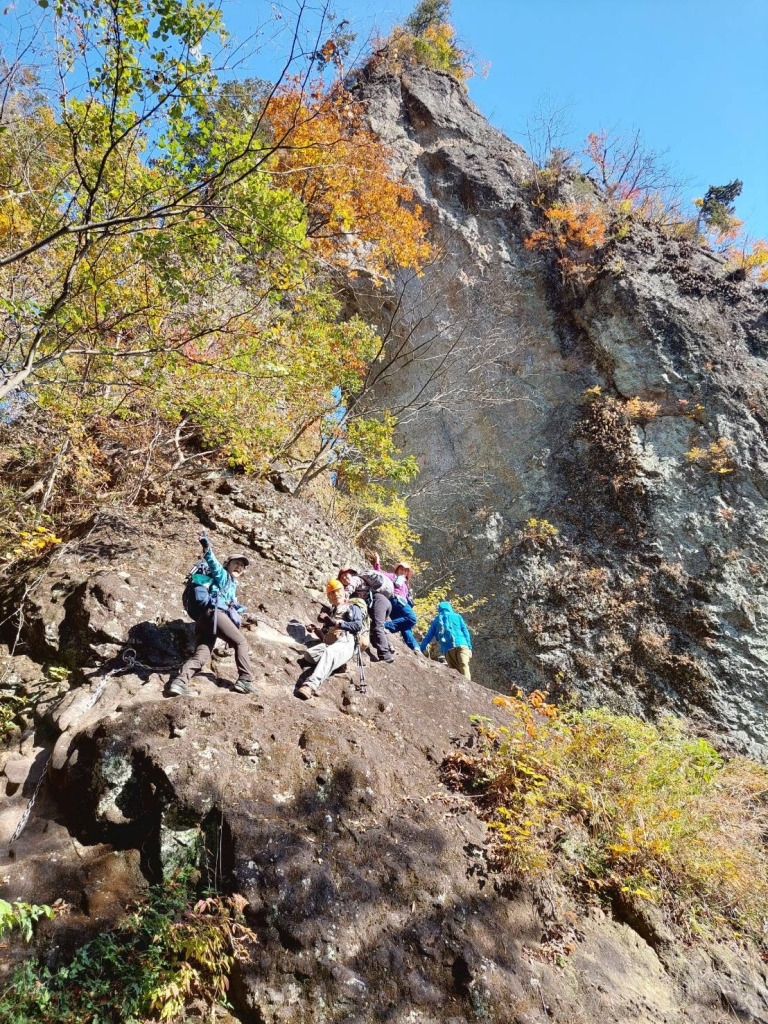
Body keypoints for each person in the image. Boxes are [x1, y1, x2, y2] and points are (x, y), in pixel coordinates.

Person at [168, 533, 256, 697]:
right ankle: (245, 679)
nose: (239, 567)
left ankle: (179, 682)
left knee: (201, 656)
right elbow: (213, 564)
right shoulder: (223, 576)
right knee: (241, 642)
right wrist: (206, 546)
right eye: (236, 563)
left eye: (242, 566)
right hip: (215, 614)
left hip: (205, 620)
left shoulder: (231, 586)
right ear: (227, 564)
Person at [297, 579, 363, 699]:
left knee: (329, 653)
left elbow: (358, 625)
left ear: (343, 592)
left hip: (347, 640)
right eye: (332, 593)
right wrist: (315, 629)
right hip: (330, 642)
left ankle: (310, 685)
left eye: (337, 591)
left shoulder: (353, 607)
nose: (335, 595)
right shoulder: (331, 612)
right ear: (328, 597)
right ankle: (337, 664)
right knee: (309, 655)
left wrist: (337, 623)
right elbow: (325, 634)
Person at [338, 566, 395, 664]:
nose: (345, 578)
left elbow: (348, 590)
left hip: (379, 601)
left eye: (346, 575)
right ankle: (388, 646)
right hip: (383, 603)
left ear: (351, 573)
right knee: (373, 630)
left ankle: (385, 656)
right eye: (342, 577)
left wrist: (341, 602)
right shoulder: (361, 584)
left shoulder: (355, 579)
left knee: (377, 627)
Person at [373, 552, 419, 652]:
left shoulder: (406, 585)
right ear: (397, 569)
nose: (403, 571)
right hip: (397, 600)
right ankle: (384, 626)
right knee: (412, 618)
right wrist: (377, 561)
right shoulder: (393, 576)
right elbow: (378, 573)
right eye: (401, 568)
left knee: (406, 627)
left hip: (398, 605)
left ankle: (416, 648)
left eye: (406, 570)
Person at [419, 601, 473, 679]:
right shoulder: (457, 616)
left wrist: (420, 649)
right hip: (462, 645)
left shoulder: (436, 620)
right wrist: (469, 647)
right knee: (464, 665)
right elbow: (465, 632)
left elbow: (428, 636)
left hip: (448, 650)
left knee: (455, 672)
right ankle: (468, 685)